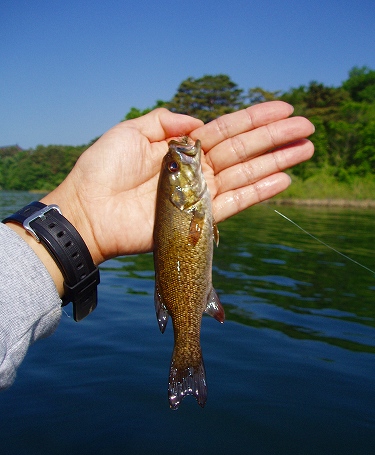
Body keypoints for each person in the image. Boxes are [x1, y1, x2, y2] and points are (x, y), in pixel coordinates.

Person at [0, 102, 314, 389]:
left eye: (172, 168)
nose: (176, 163)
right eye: (173, 169)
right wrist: (81, 216)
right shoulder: (191, 208)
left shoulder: (192, 209)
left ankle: (187, 355)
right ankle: (187, 353)